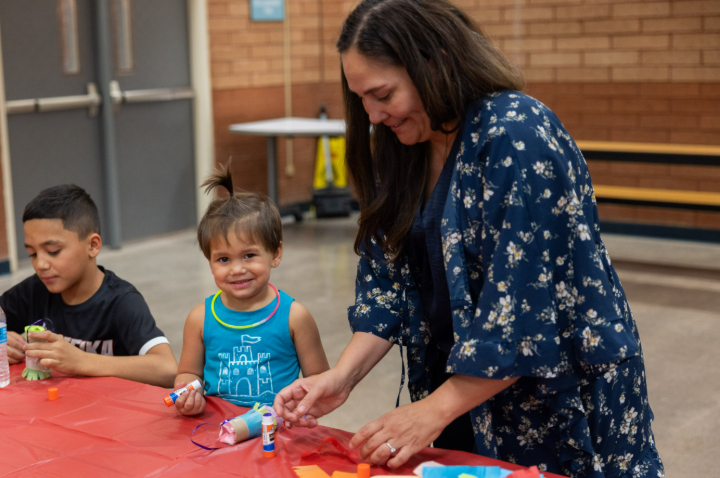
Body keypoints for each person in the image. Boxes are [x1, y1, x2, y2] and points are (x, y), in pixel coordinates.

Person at [274, 0, 665, 476]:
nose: (373, 115)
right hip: (463, 396)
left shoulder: (515, 134)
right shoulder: (405, 148)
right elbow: (388, 286)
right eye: (361, 99)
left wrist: (431, 411)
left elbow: (520, 313)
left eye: (382, 94)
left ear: (433, 64)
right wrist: (341, 377)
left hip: (558, 398)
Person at [0, 184, 178, 387]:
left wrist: (81, 361)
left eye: (53, 251)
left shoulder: (122, 301)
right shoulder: (35, 289)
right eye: (32, 254)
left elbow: (167, 369)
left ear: (92, 245)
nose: (41, 264)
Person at [173, 162, 329, 415]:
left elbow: (321, 381)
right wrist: (189, 392)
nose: (236, 269)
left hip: (278, 432)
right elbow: (189, 373)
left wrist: (302, 407)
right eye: (223, 259)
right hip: (217, 431)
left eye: (249, 255)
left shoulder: (294, 317)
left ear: (275, 254)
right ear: (210, 262)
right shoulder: (200, 318)